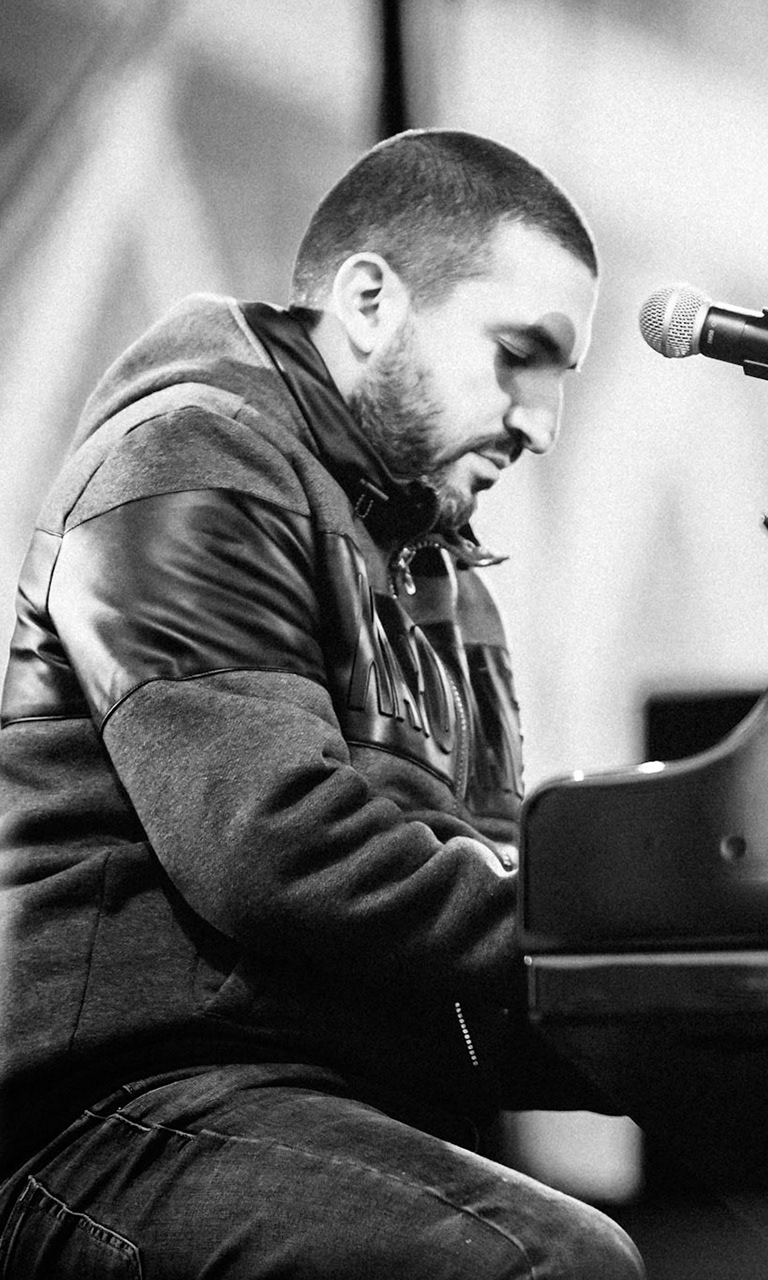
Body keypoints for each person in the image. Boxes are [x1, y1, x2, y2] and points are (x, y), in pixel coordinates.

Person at [0, 129, 643, 1277]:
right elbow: (273, 845)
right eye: (517, 355)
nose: (541, 421)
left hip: (317, 1108)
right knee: (547, 1262)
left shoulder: (441, 576)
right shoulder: (188, 454)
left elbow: (474, 887)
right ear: (367, 298)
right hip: (118, 1119)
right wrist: (616, 939)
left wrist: (705, 1012)